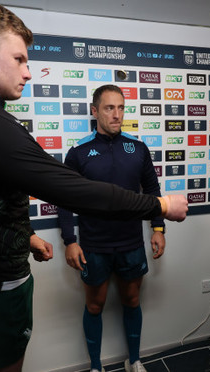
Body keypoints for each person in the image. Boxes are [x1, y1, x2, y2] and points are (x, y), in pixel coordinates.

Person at [0, 3, 188, 372]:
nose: (28, 72)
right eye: (19, 59)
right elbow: (77, 192)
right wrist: (159, 207)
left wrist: (24, 234)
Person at [57, 85, 163, 372]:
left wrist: (158, 228)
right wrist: (70, 240)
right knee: (95, 305)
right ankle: (95, 366)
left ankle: (135, 359)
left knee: (131, 299)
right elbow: (64, 201)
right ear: (94, 111)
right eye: (109, 108)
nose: (117, 115)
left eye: (121, 108)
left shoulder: (138, 148)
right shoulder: (79, 152)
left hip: (131, 243)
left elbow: (152, 190)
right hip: (94, 246)